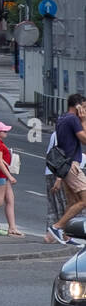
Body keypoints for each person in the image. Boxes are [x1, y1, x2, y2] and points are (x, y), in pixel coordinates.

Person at [47, 95, 86, 244]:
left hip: (64, 165)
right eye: (84, 107)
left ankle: (66, 234)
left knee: (72, 202)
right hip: (72, 165)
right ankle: (57, 227)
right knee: (84, 201)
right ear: (77, 107)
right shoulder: (73, 119)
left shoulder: (62, 118)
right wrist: (83, 121)